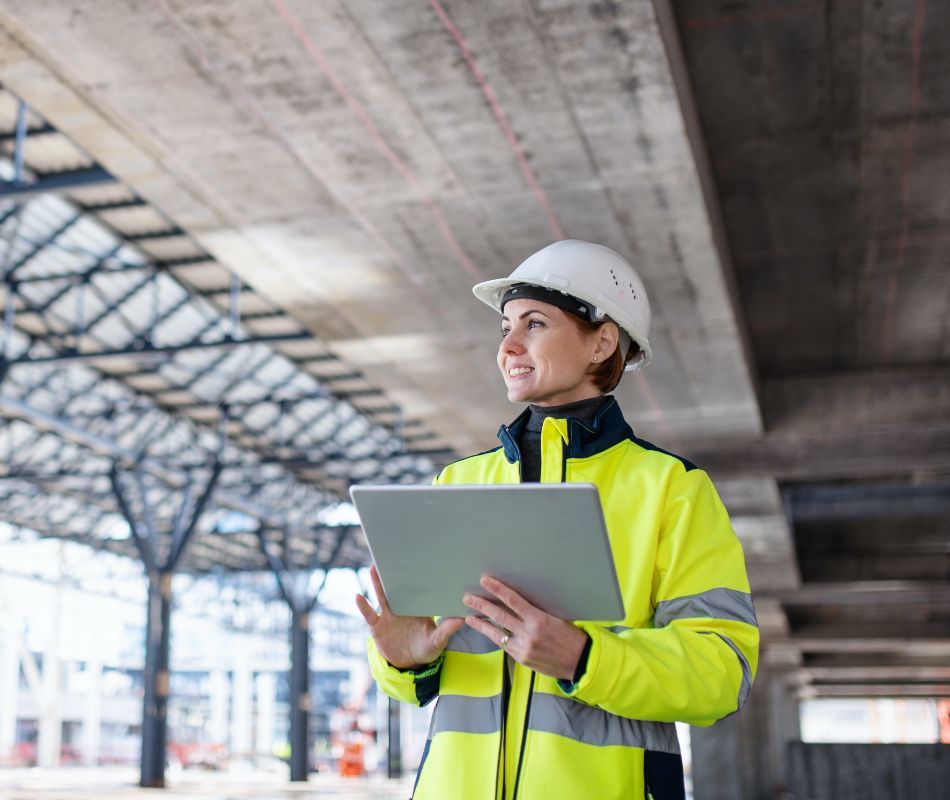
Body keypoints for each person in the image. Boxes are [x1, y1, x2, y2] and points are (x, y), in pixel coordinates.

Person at [356, 240, 759, 799]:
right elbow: (419, 680)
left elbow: (722, 673)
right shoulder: (457, 484)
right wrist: (401, 661)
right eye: (505, 328)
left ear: (602, 341)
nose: (509, 346)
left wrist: (585, 658)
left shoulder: (671, 489)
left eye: (535, 324)